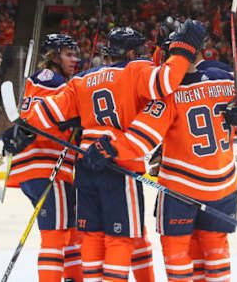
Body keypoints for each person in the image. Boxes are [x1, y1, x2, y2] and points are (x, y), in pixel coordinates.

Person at [18, 20, 206, 281]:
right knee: (122, 239)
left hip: (85, 167)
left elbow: (45, 114)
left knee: (92, 237)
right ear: (130, 53)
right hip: (119, 165)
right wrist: (183, 50)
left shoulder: (83, 78)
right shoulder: (136, 68)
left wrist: (23, 125)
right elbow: (164, 81)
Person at [83, 54, 237, 282]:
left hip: (181, 189)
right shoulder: (225, 78)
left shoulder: (169, 92)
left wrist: (108, 148)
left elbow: (141, 138)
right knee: (215, 248)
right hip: (222, 185)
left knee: (177, 252)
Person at [2, 34, 83, 282]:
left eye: (75, 54)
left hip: (39, 169)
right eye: (69, 54)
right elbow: (45, 118)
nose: (75, 59)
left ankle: (72, 277)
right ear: (54, 56)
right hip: (47, 168)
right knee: (55, 235)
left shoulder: (40, 82)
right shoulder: (52, 81)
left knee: (69, 230)